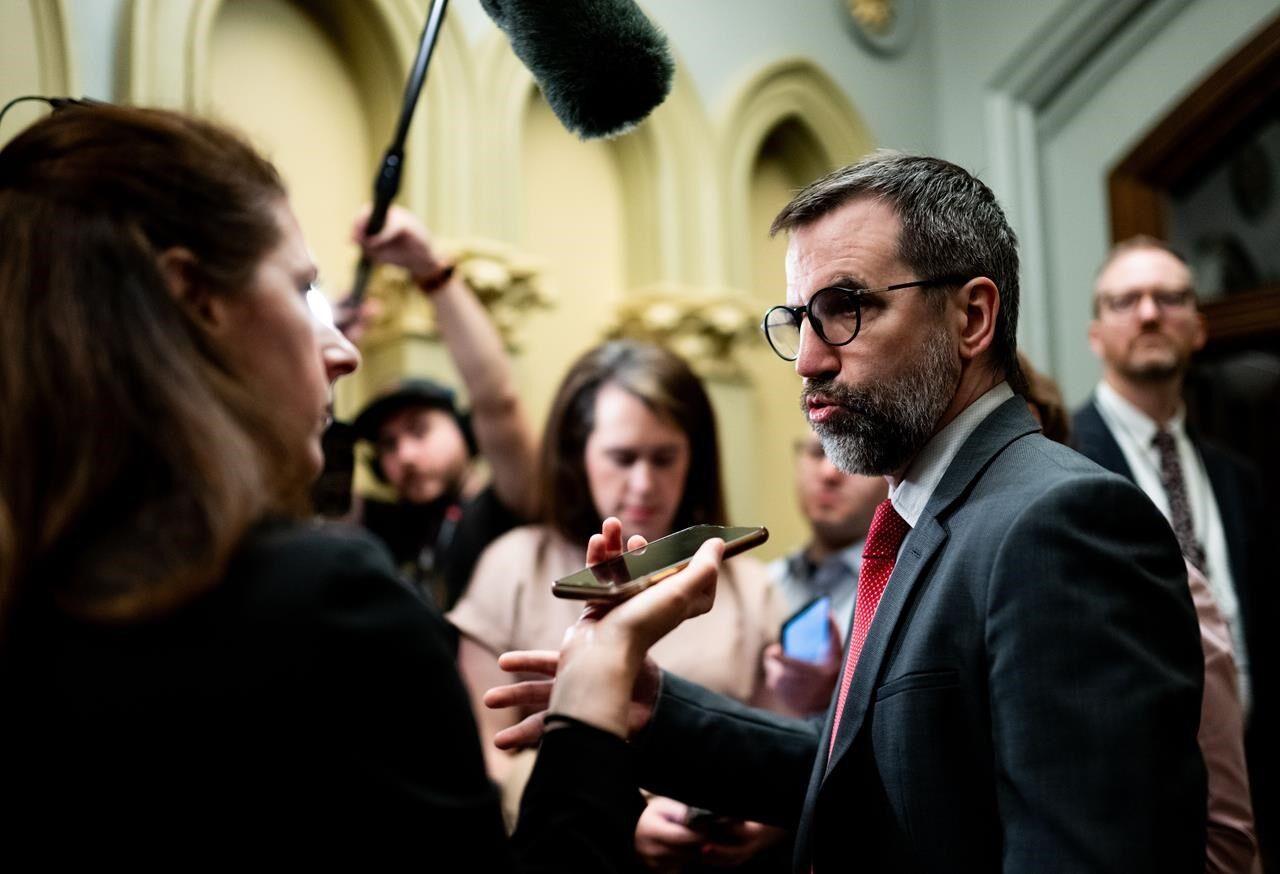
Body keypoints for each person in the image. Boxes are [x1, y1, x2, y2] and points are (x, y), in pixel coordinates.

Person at [0, 102, 724, 868]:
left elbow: (500, 406)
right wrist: (594, 690)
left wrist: (430, 273)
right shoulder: (323, 598)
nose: (343, 351)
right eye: (299, 289)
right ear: (196, 300)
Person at [491, 151, 1208, 873]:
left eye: (846, 310)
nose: (806, 360)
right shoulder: (927, 508)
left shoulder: (1064, 523)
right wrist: (661, 713)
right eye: (799, 318)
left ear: (973, 316)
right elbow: (888, 774)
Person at [451, 339, 787, 872]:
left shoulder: (751, 586)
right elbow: (485, 754)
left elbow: (784, 747)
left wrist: (763, 820)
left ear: (693, 458)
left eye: (664, 458)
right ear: (578, 453)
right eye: (622, 458)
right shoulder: (512, 566)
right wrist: (617, 814)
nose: (643, 484)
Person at [1073, 235, 1271, 869]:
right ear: (1095, 334)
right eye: (1125, 300)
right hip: (1130, 808)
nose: (1150, 313)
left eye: (1170, 298)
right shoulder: (1060, 465)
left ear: (1200, 329)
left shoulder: (1240, 478)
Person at [350, 206, 538, 609]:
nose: (406, 456)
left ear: (465, 431)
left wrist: (428, 268)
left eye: (420, 431)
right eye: (388, 445)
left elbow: (497, 399)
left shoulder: (503, 506)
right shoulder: (381, 524)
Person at [762, 432, 885, 716]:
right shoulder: (765, 584)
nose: (830, 472)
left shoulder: (898, 594)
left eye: (853, 456)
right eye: (819, 452)